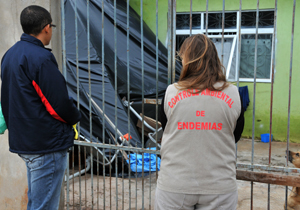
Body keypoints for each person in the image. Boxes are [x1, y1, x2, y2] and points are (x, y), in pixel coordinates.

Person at [1, 5, 81, 210]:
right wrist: (75, 116)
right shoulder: (41, 58)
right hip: (45, 145)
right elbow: (58, 105)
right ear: (46, 28)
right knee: (43, 206)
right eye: (52, 27)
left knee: (37, 203)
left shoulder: (10, 55)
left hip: (26, 141)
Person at [155, 34, 244, 210]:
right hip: (219, 186)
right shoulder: (233, 93)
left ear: (186, 60)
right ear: (215, 59)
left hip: (175, 185)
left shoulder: (171, 92)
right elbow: (235, 135)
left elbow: (167, 130)